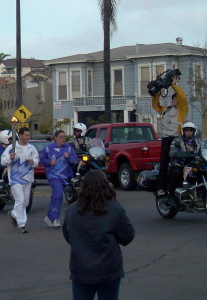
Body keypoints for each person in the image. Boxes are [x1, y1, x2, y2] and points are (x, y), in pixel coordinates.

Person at [63, 170, 135, 300]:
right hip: (108, 269)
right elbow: (127, 236)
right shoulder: (114, 208)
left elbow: (68, 235)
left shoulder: (72, 210)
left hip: (81, 270)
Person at [152, 76, 188, 197]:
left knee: (179, 163)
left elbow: (182, 96)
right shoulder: (166, 110)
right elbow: (156, 106)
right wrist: (156, 94)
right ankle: (161, 188)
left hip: (177, 139)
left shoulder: (182, 109)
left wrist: (174, 85)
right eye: (174, 99)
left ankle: (181, 185)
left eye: (177, 99)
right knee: (163, 163)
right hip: (166, 140)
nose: (176, 100)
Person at [1, 127, 39, 234]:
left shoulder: (32, 148)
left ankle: (14, 214)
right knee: (20, 200)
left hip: (27, 178)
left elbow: (37, 160)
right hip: (15, 178)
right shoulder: (12, 147)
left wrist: (33, 161)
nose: (28, 137)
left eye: (29, 135)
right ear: (20, 135)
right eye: (26, 135)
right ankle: (22, 225)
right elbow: (2, 161)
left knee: (25, 203)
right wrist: (10, 157)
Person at [40, 130, 78, 228]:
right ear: (55, 138)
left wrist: (68, 157)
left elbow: (75, 160)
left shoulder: (68, 148)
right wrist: (49, 162)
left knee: (55, 196)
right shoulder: (49, 148)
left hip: (65, 176)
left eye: (64, 137)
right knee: (58, 195)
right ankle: (56, 219)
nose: (62, 139)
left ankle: (49, 217)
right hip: (53, 175)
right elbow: (41, 159)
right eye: (60, 137)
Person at [168, 121, 198, 207]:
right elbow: (172, 152)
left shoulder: (197, 141)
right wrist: (182, 154)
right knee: (176, 172)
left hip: (192, 164)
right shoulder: (177, 140)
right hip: (179, 163)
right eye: (187, 130)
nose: (189, 132)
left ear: (194, 131)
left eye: (191, 130)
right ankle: (171, 196)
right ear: (183, 131)